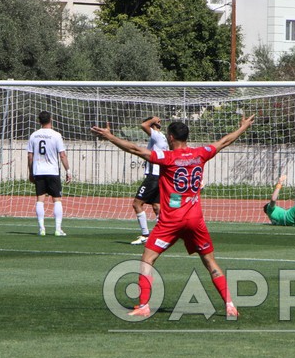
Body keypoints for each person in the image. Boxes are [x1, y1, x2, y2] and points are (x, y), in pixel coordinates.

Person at [91, 114, 255, 318]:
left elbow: (134, 149)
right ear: (187, 137)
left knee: (147, 259)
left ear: (170, 137)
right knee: (210, 262)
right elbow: (224, 141)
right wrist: (243, 127)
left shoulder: (167, 158)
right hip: (195, 220)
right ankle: (230, 304)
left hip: (171, 220)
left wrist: (110, 137)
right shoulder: (201, 153)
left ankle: (144, 305)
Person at [27, 111, 71, 237]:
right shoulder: (56, 135)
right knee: (57, 199)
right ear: (51, 119)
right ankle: (58, 229)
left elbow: (30, 156)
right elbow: (62, 155)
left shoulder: (34, 135)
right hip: (52, 171)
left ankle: (41, 229)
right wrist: (68, 170)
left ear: (39, 121)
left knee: (40, 199)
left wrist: (31, 172)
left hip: (38, 171)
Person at [130, 116, 169, 246]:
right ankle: (163, 234)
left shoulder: (157, 135)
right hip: (160, 176)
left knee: (137, 204)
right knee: (157, 206)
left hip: (153, 176)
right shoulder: (163, 137)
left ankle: (145, 234)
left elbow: (143, 125)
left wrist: (153, 119)